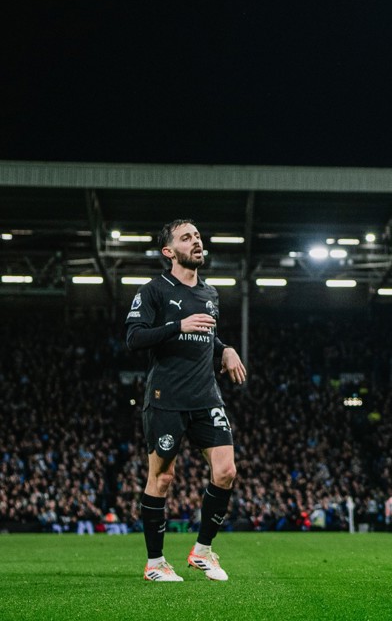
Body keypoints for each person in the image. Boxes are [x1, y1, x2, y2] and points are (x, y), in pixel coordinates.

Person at [125, 218, 247, 582]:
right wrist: (176, 326)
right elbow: (133, 338)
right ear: (169, 251)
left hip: (206, 395)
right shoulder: (153, 291)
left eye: (197, 235)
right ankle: (155, 564)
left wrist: (224, 350)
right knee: (162, 479)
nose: (196, 241)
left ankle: (202, 552)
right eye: (186, 237)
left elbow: (206, 335)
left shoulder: (210, 293)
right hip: (166, 397)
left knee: (226, 471)